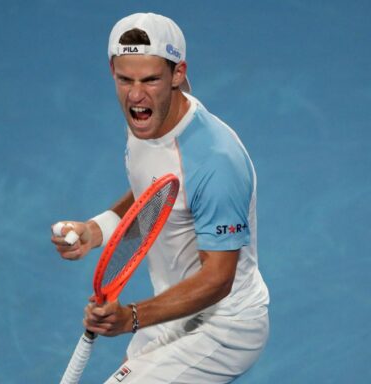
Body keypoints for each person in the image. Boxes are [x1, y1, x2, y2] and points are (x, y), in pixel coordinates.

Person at [51, 12, 269, 383]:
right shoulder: (144, 118)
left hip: (225, 327)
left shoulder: (216, 162)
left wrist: (132, 317)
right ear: (112, 71)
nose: (136, 95)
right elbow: (154, 196)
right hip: (172, 309)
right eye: (125, 79)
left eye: (151, 79)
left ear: (178, 74)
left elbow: (218, 279)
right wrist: (96, 229)